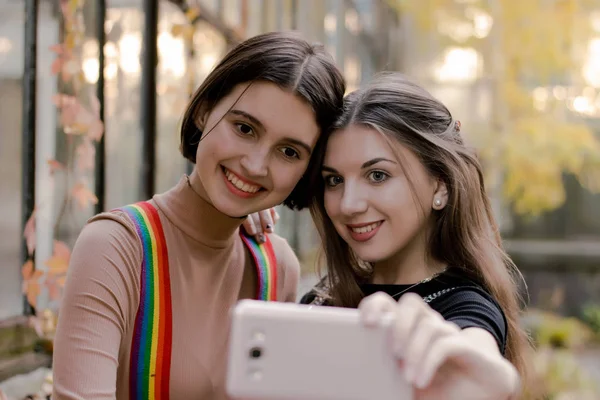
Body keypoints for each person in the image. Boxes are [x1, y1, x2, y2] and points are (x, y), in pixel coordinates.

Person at [52, 31, 345, 400]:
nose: (255, 165)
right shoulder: (117, 248)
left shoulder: (276, 268)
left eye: (288, 152)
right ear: (205, 109)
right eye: (244, 128)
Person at [301, 73, 531, 399]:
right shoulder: (322, 298)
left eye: (377, 175)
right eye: (334, 180)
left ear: (440, 185)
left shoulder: (464, 306)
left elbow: (474, 352)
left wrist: (492, 379)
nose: (348, 205)